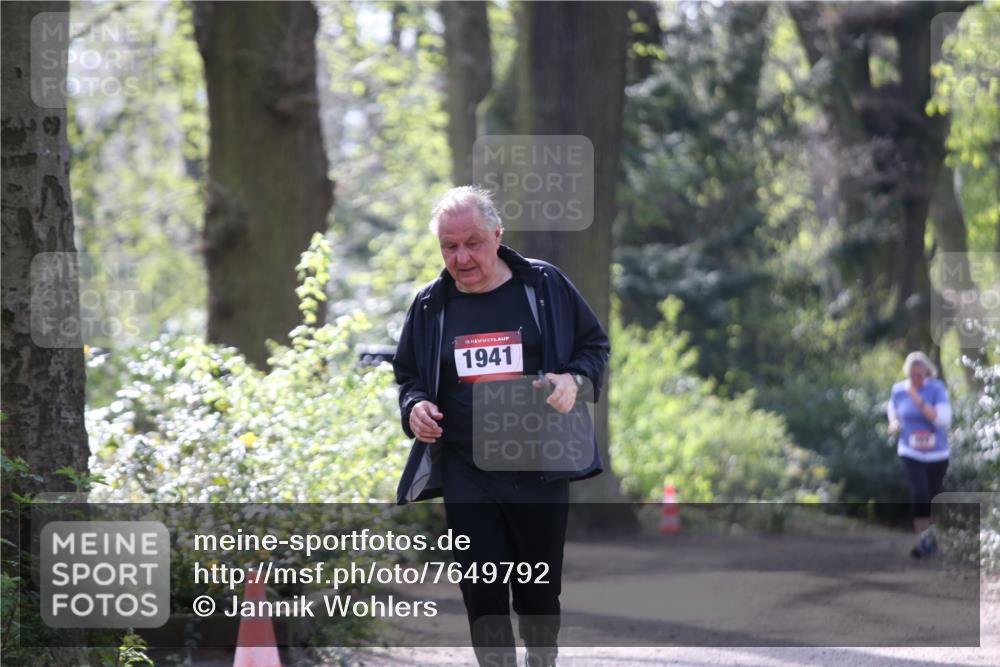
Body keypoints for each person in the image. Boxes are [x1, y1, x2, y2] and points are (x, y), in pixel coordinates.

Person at [392, 186, 610, 667]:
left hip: (539, 465)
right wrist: (415, 408)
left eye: (472, 242)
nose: (461, 256)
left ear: (497, 234)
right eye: (449, 247)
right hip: (468, 468)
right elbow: (408, 375)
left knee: (537, 590)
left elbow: (594, 347)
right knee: (481, 589)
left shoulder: (543, 287)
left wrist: (574, 381)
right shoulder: (431, 305)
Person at [887, 351, 952, 558]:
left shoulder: (937, 388)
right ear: (907, 373)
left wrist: (918, 400)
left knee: (934, 496)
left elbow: (942, 420)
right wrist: (894, 423)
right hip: (910, 450)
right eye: (912, 374)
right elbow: (893, 410)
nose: (916, 378)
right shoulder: (898, 390)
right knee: (920, 493)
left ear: (927, 372)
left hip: (937, 453)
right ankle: (925, 539)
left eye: (920, 374)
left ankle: (933, 537)